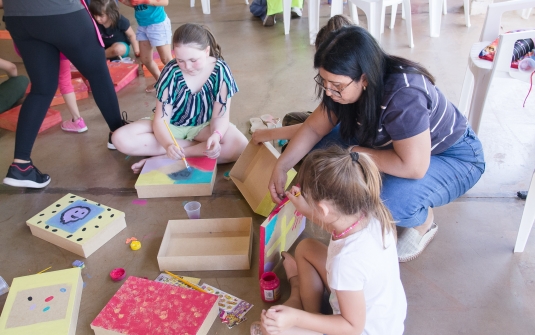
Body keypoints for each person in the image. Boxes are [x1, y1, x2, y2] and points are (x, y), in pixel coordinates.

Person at [268, 26, 486, 262]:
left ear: (364, 78)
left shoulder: (404, 95)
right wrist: (281, 167)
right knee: (318, 158)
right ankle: (380, 177)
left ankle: (423, 220)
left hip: (451, 156)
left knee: (386, 202)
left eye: (337, 86)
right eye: (324, 82)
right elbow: (312, 128)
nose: (329, 92)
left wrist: (357, 152)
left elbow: (415, 166)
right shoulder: (343, 88)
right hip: (393, 145)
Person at [251, 146, 407, 335]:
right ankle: (312, 315)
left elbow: (352, 327)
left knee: (271, 331)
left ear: (323, 209)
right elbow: (335, 223)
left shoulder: (345, 262)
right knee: (305, 248)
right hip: (382, 315)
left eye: (306, 196)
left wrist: (296, 319)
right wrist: (306, 210)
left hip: (360, 328)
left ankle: (299, 296)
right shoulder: (373, 212)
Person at [1, 0, 126, 189]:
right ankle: (119, 135)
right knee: (98, 73)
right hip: (59, 11)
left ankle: (21, 165)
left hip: (18, 15)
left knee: (42, 89)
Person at [111, 23, 248, 173]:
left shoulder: (221, 70)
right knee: (120, 138)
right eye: (180, 60)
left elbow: (220, 117)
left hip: (204, 126)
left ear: (207, 51)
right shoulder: (171, 71)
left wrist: (216, 135)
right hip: (172, 126)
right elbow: (162, 120)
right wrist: (169, 144)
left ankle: (165, 157)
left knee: (241, 147)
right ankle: (192, 149)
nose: (187, 66)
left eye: (193, 60)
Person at [251, 15, 354, 145]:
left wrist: (269, 134)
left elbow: (317, 128)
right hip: (335, 129)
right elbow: (315, 126)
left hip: (346, 140)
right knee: (291, 120)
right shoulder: (337, 87)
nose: (328, 91)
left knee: (311, 153)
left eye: (336, 84)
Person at [118, 0, 173, 92]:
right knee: (145, 60)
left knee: (166, 59)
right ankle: (161, 82)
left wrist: (145, 0)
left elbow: (165, 2)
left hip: (158, 24)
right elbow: (137, 6)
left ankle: (181, 84)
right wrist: (126, 2)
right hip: (143, 25)